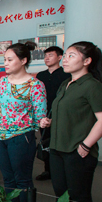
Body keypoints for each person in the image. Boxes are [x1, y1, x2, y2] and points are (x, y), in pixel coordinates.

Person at [40, 41, 102, 202]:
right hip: (57, 148)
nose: (65, 59)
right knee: (61, 195)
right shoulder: (65, 84)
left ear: (87, 61)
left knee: (80, 196)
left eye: (71, 56)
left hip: (77, 150)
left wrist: (86, 145)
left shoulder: (93, 86)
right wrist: (49, 121)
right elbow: (68, 112)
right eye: (65, 56)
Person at [0, 42, 47, 202]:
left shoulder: (35, 85)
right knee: (8, 179)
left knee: (22, 179)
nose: (5, 63)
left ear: (23, 61)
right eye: (4, 59)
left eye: (9, 59)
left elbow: (40, 115)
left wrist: (41, 122)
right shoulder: (2, 82)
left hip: (21, 137)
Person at [35, 46, 71, 180]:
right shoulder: (41, 75)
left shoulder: (66, 75)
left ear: (60, 57)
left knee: (61, 142)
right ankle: (48, 170)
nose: (47, 58)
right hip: (44, 114)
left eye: (50, 55)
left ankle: (62, 171)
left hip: (61, 114)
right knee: (46, 141)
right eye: (45, 56)